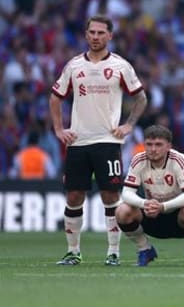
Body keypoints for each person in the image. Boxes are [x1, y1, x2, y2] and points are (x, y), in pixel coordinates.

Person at [50, 15, 147, 266]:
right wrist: (60, 129)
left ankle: (113, 252)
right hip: (78, 141)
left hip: (107, 141)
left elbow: (141, 98)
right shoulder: (73, 66)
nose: (96, 37)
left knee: (110, 196)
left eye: (101, 33)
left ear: (110, 36)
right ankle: (73, 251)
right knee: (73, 196)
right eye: (92, 32)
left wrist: (129, 125)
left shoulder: (120, 66)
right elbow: (55, 97)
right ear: (85, 34)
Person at [116, 125, 184, 266]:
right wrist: (144, 204)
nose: (153, 149)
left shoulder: (178, 159)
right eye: (149, 144)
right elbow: (126, 193)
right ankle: (144, 250)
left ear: (168, 146)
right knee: (122, 211)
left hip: (178, 218)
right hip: (151, 215)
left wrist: (163, 206)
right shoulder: (139, 159)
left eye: (158, 144)